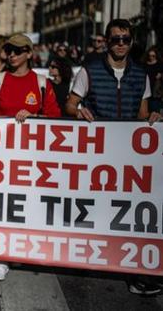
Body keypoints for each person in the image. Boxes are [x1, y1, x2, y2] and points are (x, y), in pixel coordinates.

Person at [65, 19, 161, 294]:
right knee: (91, 206)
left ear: (131, 43)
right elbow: (70, 104)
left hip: (127, 155)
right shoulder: (90, 71)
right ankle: (83, 254)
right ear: (107, 41)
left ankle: (133, 272)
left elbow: (142, 114)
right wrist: (79, 110)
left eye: (126, 39)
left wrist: (153, 117)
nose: (121, 43)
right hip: (96, 152)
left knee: (128, 211)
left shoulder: (141, 74)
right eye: (116, 38)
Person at [0, 34, 60, 281]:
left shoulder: (41, 83)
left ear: (29, 53)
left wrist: (35, 118)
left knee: (29, 204)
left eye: (18, 50)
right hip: (3, 156)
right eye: (9, 50)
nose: (12, 54)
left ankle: (27, 248)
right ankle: (2, 256)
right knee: (4, 204)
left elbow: (56, 119)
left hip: (33, 157)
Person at [144, 46, 163, 113]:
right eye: (149, 56)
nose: (151, 57)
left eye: (153, 56)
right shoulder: (144, 64)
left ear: (156, 56)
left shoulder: (160, 65)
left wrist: (160, 75)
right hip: (145, 91)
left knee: (154, 112)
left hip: (155, 93)